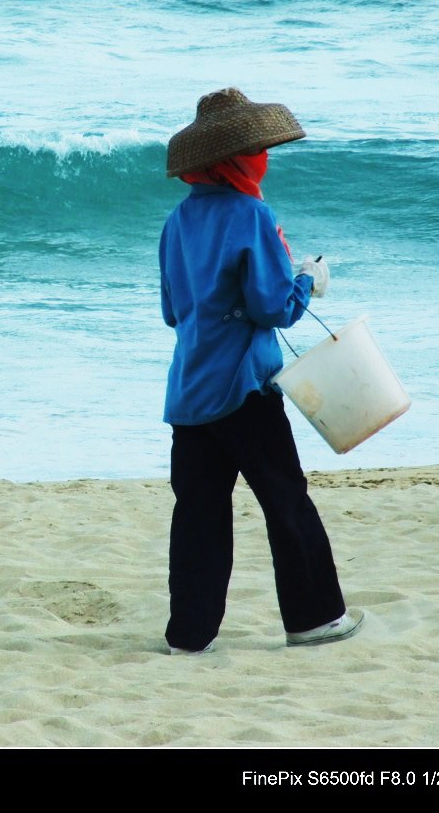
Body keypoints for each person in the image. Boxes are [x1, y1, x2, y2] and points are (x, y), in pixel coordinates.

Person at [159, 87, 363, 653]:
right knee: (285, 501)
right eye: (257, 152)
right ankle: (314, 619)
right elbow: (275, 308)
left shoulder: (176, 222)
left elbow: (172, 310)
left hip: (189, 392)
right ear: (237, 160)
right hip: (246, 388)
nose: (262, 160)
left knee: (198, 516)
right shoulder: (252, 214)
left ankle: (189, 636)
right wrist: (308, 279)